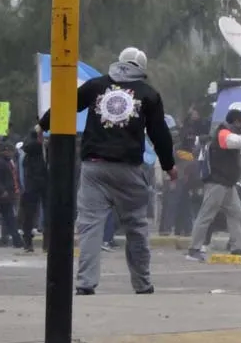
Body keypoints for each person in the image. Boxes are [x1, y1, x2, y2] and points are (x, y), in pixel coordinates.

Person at [39, 47, 176, 295]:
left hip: (94, 168)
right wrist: (169, 166)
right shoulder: (149, 94)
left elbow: (65, 104)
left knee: (90, 227)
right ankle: (142, 283)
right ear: (142, 69)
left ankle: (85, 283)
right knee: (136, 227)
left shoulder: (95, 86)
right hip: (129, 171)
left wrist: (42, 125)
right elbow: (160, 134)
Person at [186, 110, 241, 262]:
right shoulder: (223, 132)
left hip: (228, 184)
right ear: (237, 121)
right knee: (206, 215)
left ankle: (237, 248)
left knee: (237, 214)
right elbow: (237, 142)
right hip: (217, 183)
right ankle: (193, 249)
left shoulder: (229, 133)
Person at [18, 127, 48, 253]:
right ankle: (28, 242)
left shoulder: (47, 148)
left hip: (46, 184)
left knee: (48, 214)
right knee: (29, 215)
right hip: (32, 185)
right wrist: (39, 141)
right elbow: (27, 147)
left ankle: (47, 243)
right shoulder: (33, 147)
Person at [0, 143, 21, 248]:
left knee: (9, 219)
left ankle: (16, 240)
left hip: (7, 195)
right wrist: (2, 191)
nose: (10, 153)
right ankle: (17, 240)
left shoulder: (7, 162)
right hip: (2, 196)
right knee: (9, 218)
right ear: (3, 151)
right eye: (8, 151)